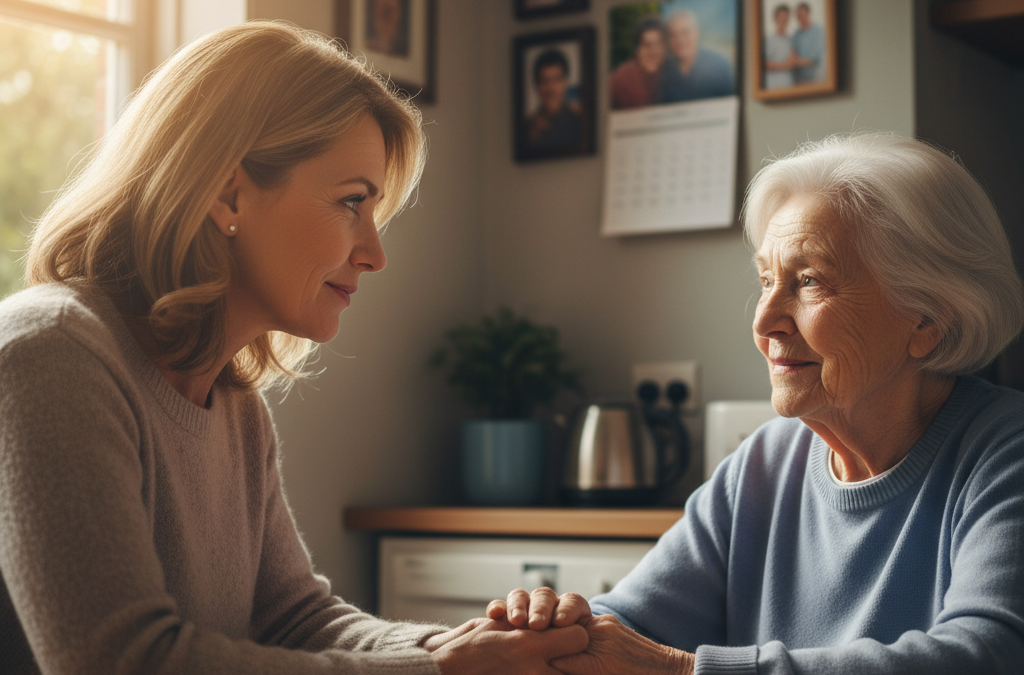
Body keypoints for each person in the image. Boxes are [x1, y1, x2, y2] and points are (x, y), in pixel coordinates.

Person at [0, 21, 589, 675]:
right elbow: (121, 660)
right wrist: (443, 671)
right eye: (351, 203)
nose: (375, 253)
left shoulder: (232, 402)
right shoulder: (51, 354)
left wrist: (468, 647)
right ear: (229, 193)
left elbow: (295, 619)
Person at [490, 133, 1024, 674]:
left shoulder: (1006, 453)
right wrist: (559, 629)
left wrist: (683, 671)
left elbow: (988, 655)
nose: (764, 321)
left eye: (810, 281)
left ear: (928, 320)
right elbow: (630, 623)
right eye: (766, 280)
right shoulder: (763, 464)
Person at [658, 10, 735, 103]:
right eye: (673, 34)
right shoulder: (665, 70)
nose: (679, 40)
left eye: (685, 32)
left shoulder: (720, 65)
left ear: (697, 32)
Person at [523, 48, 583, 153]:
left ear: (565, 83)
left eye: (557, 79)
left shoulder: (580, 120)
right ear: (537, 86)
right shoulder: (527, 128)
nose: (551, 88)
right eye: (545, 81)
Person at [609, 16, 667, 110]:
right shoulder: (621, 78)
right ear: (637, 49)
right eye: (646, 45)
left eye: (658, 45)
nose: (653, 52)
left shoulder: (670, 74)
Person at [763, 4, 795, 89]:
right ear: (775, 19)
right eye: (782, 17)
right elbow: (765, 64)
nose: (784, 20)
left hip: (789, 86)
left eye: (786, 17)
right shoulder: (768, 40)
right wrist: (785, 65)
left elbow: (793, 62)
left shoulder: (791, 41)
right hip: (773, 87)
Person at [792, 2, 825, 83]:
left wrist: (796, 62)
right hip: (800, 79)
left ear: (808, 13)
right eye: (798, 16)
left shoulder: (818, 31)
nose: (801, 18)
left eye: (803, 15)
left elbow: (816, 58)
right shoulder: (796, 35)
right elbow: (793, 54)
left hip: (816, 78)